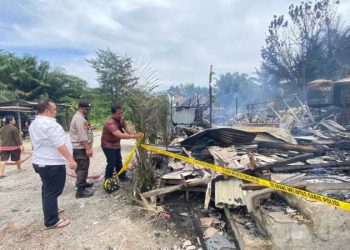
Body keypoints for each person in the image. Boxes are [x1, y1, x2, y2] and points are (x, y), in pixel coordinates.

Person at [29, 98, 77, 229]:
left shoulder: (35, 123)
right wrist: (70, 160)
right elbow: (59, 144)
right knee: (53, 190)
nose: (56, 112)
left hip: (41, 161)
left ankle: (52, 209)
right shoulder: (49, 124)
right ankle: (51, 221)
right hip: (51, 163)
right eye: (54, 109)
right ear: (46, 110)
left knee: (47, 188)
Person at [101, 105, 143, 181]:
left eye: (121, 113)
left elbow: (127, 129)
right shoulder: (110, 123)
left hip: (116, 144)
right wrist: (134, 136)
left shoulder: (121, 119)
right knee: (111, 162)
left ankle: (122, 177)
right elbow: (119, 134)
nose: (121, 115)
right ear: (113, 114)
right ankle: (108, 180)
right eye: (118, 114)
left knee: (118, 161)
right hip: (108, 145)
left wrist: (134, 134)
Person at [69, 101, 94, 198]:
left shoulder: (80, 117)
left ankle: (82, 183)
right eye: (87, 109)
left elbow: (83, 131)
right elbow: (82, 136)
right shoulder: (79, 118)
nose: (88, 111)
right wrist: (88, 148)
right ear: (81, 108)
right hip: (81, 148)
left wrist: (90, 129)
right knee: (82, 169)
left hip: (79, 148)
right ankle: (80, 191)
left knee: (81, 167)